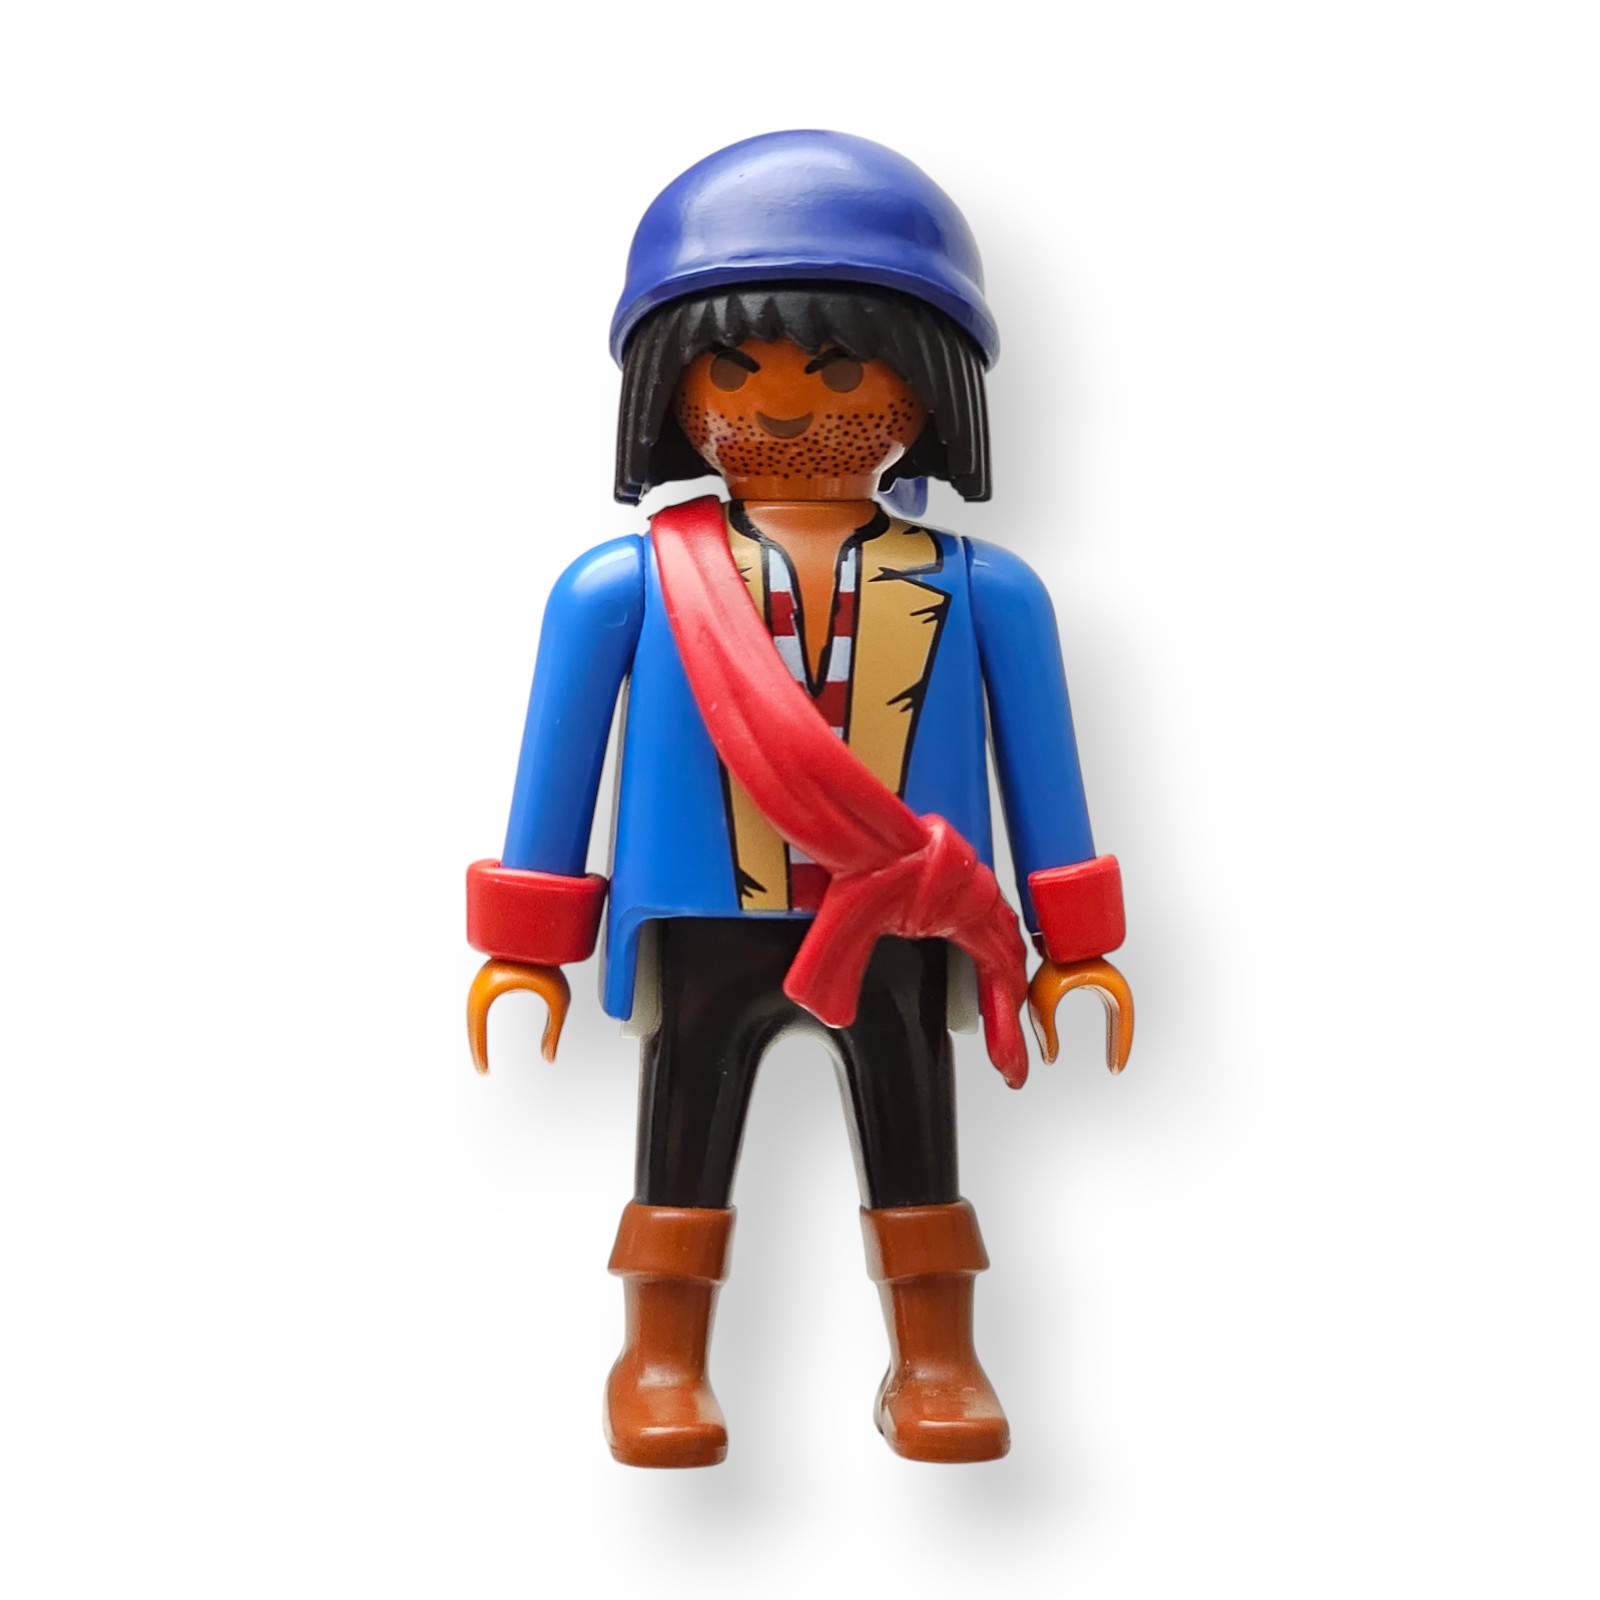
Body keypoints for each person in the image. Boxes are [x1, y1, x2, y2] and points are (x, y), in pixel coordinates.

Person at [466, 131, 1132, 1467]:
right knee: (682, 1135)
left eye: (837, 370)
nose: (779, 405)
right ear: (671, 386)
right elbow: (558, 766)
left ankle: (935, 1356)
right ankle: (659, 1357)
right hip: (706, 917)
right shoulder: (623, 586)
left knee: (917, 1133)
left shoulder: (986, 590)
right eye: (734, 371)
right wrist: (526, 948)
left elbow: (1045, 771)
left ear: (927, 385)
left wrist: (1076, 944)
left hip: (907, 918)